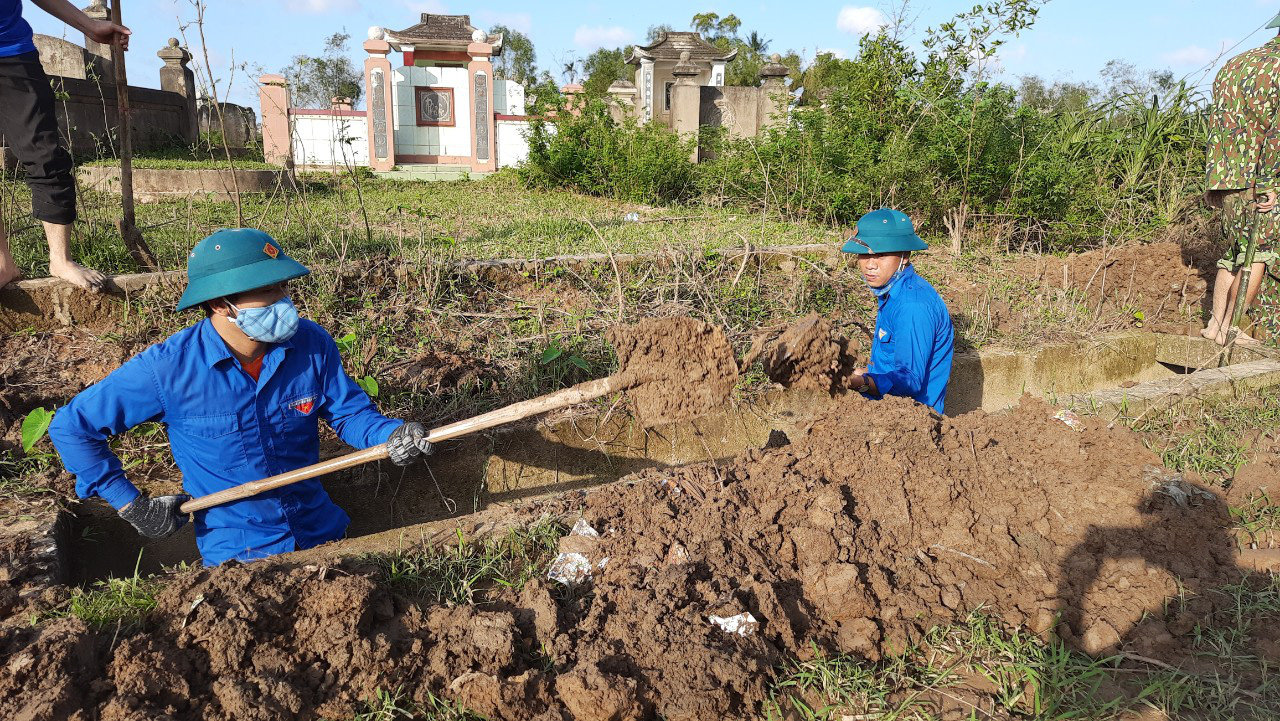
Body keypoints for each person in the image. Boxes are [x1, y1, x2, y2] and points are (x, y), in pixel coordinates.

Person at [49, 229, 437, 565]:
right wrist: (131, 504)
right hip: (241, 558)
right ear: (221, 303)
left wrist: (390, 435)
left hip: (323, 534)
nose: (285, 301)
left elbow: (349, 414)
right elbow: (72, 426)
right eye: (269, 291)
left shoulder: (310, 344)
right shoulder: (168, 369)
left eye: (284, 287)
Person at [0, 0, 133, 291]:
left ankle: (60, 260)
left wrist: (90, 25)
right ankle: (2, 264)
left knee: (44, 155)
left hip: (10, 54)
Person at [1200, 12, 1280, 346]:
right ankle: (1232, 331)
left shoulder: (1234, 64)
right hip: (1259, 178)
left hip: (1225, 177)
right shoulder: (1276, 68)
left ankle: (1214, 326)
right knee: (1259, 254)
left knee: (1234, 252)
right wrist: (1271, 183)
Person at [842, 208, 954, 414]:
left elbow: (908, 381)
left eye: (881, 255)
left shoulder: (912, 306)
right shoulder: (893, 295)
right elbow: (889, 367)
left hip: (914, 423)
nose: (870, 265)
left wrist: (857, 382)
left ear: (904, 257)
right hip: (888, 412)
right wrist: (856, 373)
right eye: (864, 256)